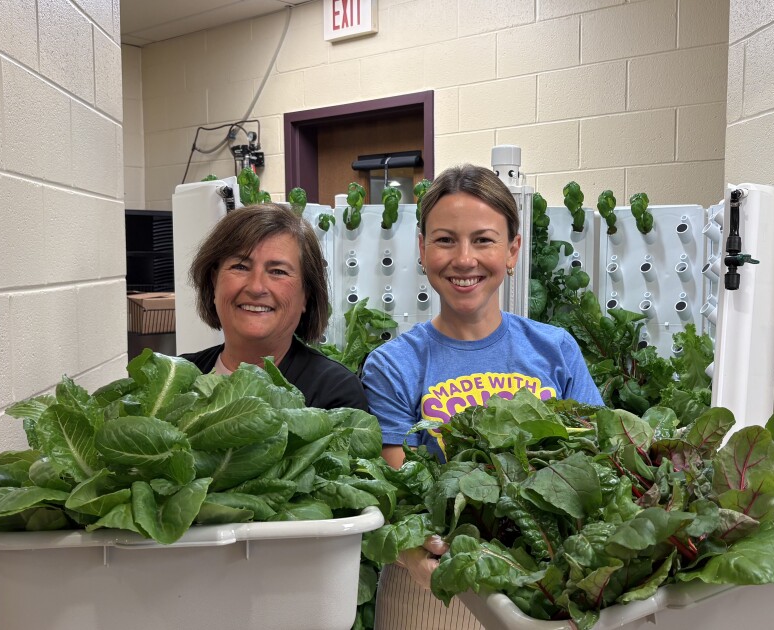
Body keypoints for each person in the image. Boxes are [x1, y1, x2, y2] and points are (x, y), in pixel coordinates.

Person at [361, 165, 604, 629]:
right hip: (436, 588)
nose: (464, 258)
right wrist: (416, 552)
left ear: (513, 251)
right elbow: (400, 495)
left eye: (484, 240)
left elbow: (594, 460)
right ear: (422, 249)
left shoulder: (555, 349)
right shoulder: (393, 365)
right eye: (446, 239)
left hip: (547, 584)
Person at [181, 202, 369, 411]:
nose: (256, 287)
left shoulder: (335, 393)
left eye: (278, 271)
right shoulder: (174, 379)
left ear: (306, 295)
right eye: (240, 267)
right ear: (214, 281)